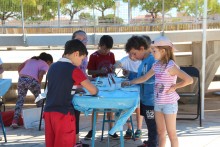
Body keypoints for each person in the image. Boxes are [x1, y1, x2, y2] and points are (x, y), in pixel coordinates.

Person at [122, 36, 193, 147]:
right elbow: (144, 77)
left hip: (169, 104)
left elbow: (189, 80)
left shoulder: (171, 66)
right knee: (160, 132)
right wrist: (130, 82)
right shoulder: (156, 65)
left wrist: (175, 87)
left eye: (154, 51)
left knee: (171, 134)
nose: (152, 53)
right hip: (157, 103)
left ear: (163, 51)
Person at [43, 39, 98, 147]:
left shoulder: (53, 66)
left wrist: (76, 89)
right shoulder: (73, 69)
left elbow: (60, 86)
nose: (81, 62)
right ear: (76, 54)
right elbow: (93, 90)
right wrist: (97, 89)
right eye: (82, 59)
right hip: (63, 114)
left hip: (49, 112)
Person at [85, 35, 118, 140]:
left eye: (108, 49)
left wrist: (113, 70)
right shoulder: (94, 56)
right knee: (96, 107)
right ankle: (93, 129)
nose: (106, 51)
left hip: (108, 83)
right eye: (104, 49)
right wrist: (99, 71)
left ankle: (111, 129)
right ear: (100, 45)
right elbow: (89, 71)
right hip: (98, 84)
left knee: (110, 106)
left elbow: (113, 68)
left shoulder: (111, 54)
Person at [11, 52, 53, 129]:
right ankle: (43, 119)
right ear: (48, 61)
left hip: (22, 79)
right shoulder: (45, 64)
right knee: (39, 100)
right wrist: (38, 83)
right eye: (50, 64)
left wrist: (22, 75)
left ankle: (15, 121)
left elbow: (19, 67)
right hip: (33, 81)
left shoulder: (30, 60)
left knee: (20, 100)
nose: (49, 66)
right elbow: (41, 74)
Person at [114, 54, 144, 140]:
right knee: (127, 107)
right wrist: (117, 69)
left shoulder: (142, 60)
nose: (132, 55)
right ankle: (129, 128)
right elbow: (118, 66)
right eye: (130, 52)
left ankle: (139, 129)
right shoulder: (125, 59)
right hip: (128, 87)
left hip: (139, 87)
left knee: (139, 107)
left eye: (134, 52)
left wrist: (131, 73)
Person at [71, 30, 90, 147]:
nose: (83, 42)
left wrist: (89, 79)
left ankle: (76, 140)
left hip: (80, 87)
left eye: (85, 40)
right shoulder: (73, 54)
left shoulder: (85, 54)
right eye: (79, 40)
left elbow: (82, 72)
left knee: (76, 114)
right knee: (73, 115)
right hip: (72, 88)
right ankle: (74, 142)